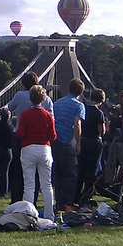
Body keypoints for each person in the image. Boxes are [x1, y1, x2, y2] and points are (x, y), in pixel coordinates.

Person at [6, 72, 53, 202]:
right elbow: (52, 122)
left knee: (19, 172)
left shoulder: (20, 95)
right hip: (42, 141)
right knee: (37, 175)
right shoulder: (47, 100)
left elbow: (9, 107)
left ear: (23, 84)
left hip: (23, 138)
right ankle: (33, 203)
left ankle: (16, 201)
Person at [16, 85, 57, 220]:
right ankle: (50, 215)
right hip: (44, 149)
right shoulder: (48, 115)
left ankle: (29, 215)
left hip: (28, 148)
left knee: (29, 185)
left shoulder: (25, 115)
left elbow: (20, 133)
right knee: (47, 185)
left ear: (30, 98)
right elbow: (53, 136)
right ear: (43, 99)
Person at [52, 79, 85, 209]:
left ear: (69, 89)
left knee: (58, 173)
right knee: (71, 174)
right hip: (66, 141)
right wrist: (78, 143)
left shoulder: (57, 103)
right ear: (81, 92)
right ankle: (67, 204)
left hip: (55, 141)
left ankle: (59, 202)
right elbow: (77, 124)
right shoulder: (79, 106)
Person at [75, 88, 107, 206]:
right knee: (92, 172)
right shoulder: (99, 113)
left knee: (81, 171)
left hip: (83, 140)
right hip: (94, 142)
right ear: (101, 100)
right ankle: (85, 197)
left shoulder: (84, 109)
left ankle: (75, 196)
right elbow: (101, 131)